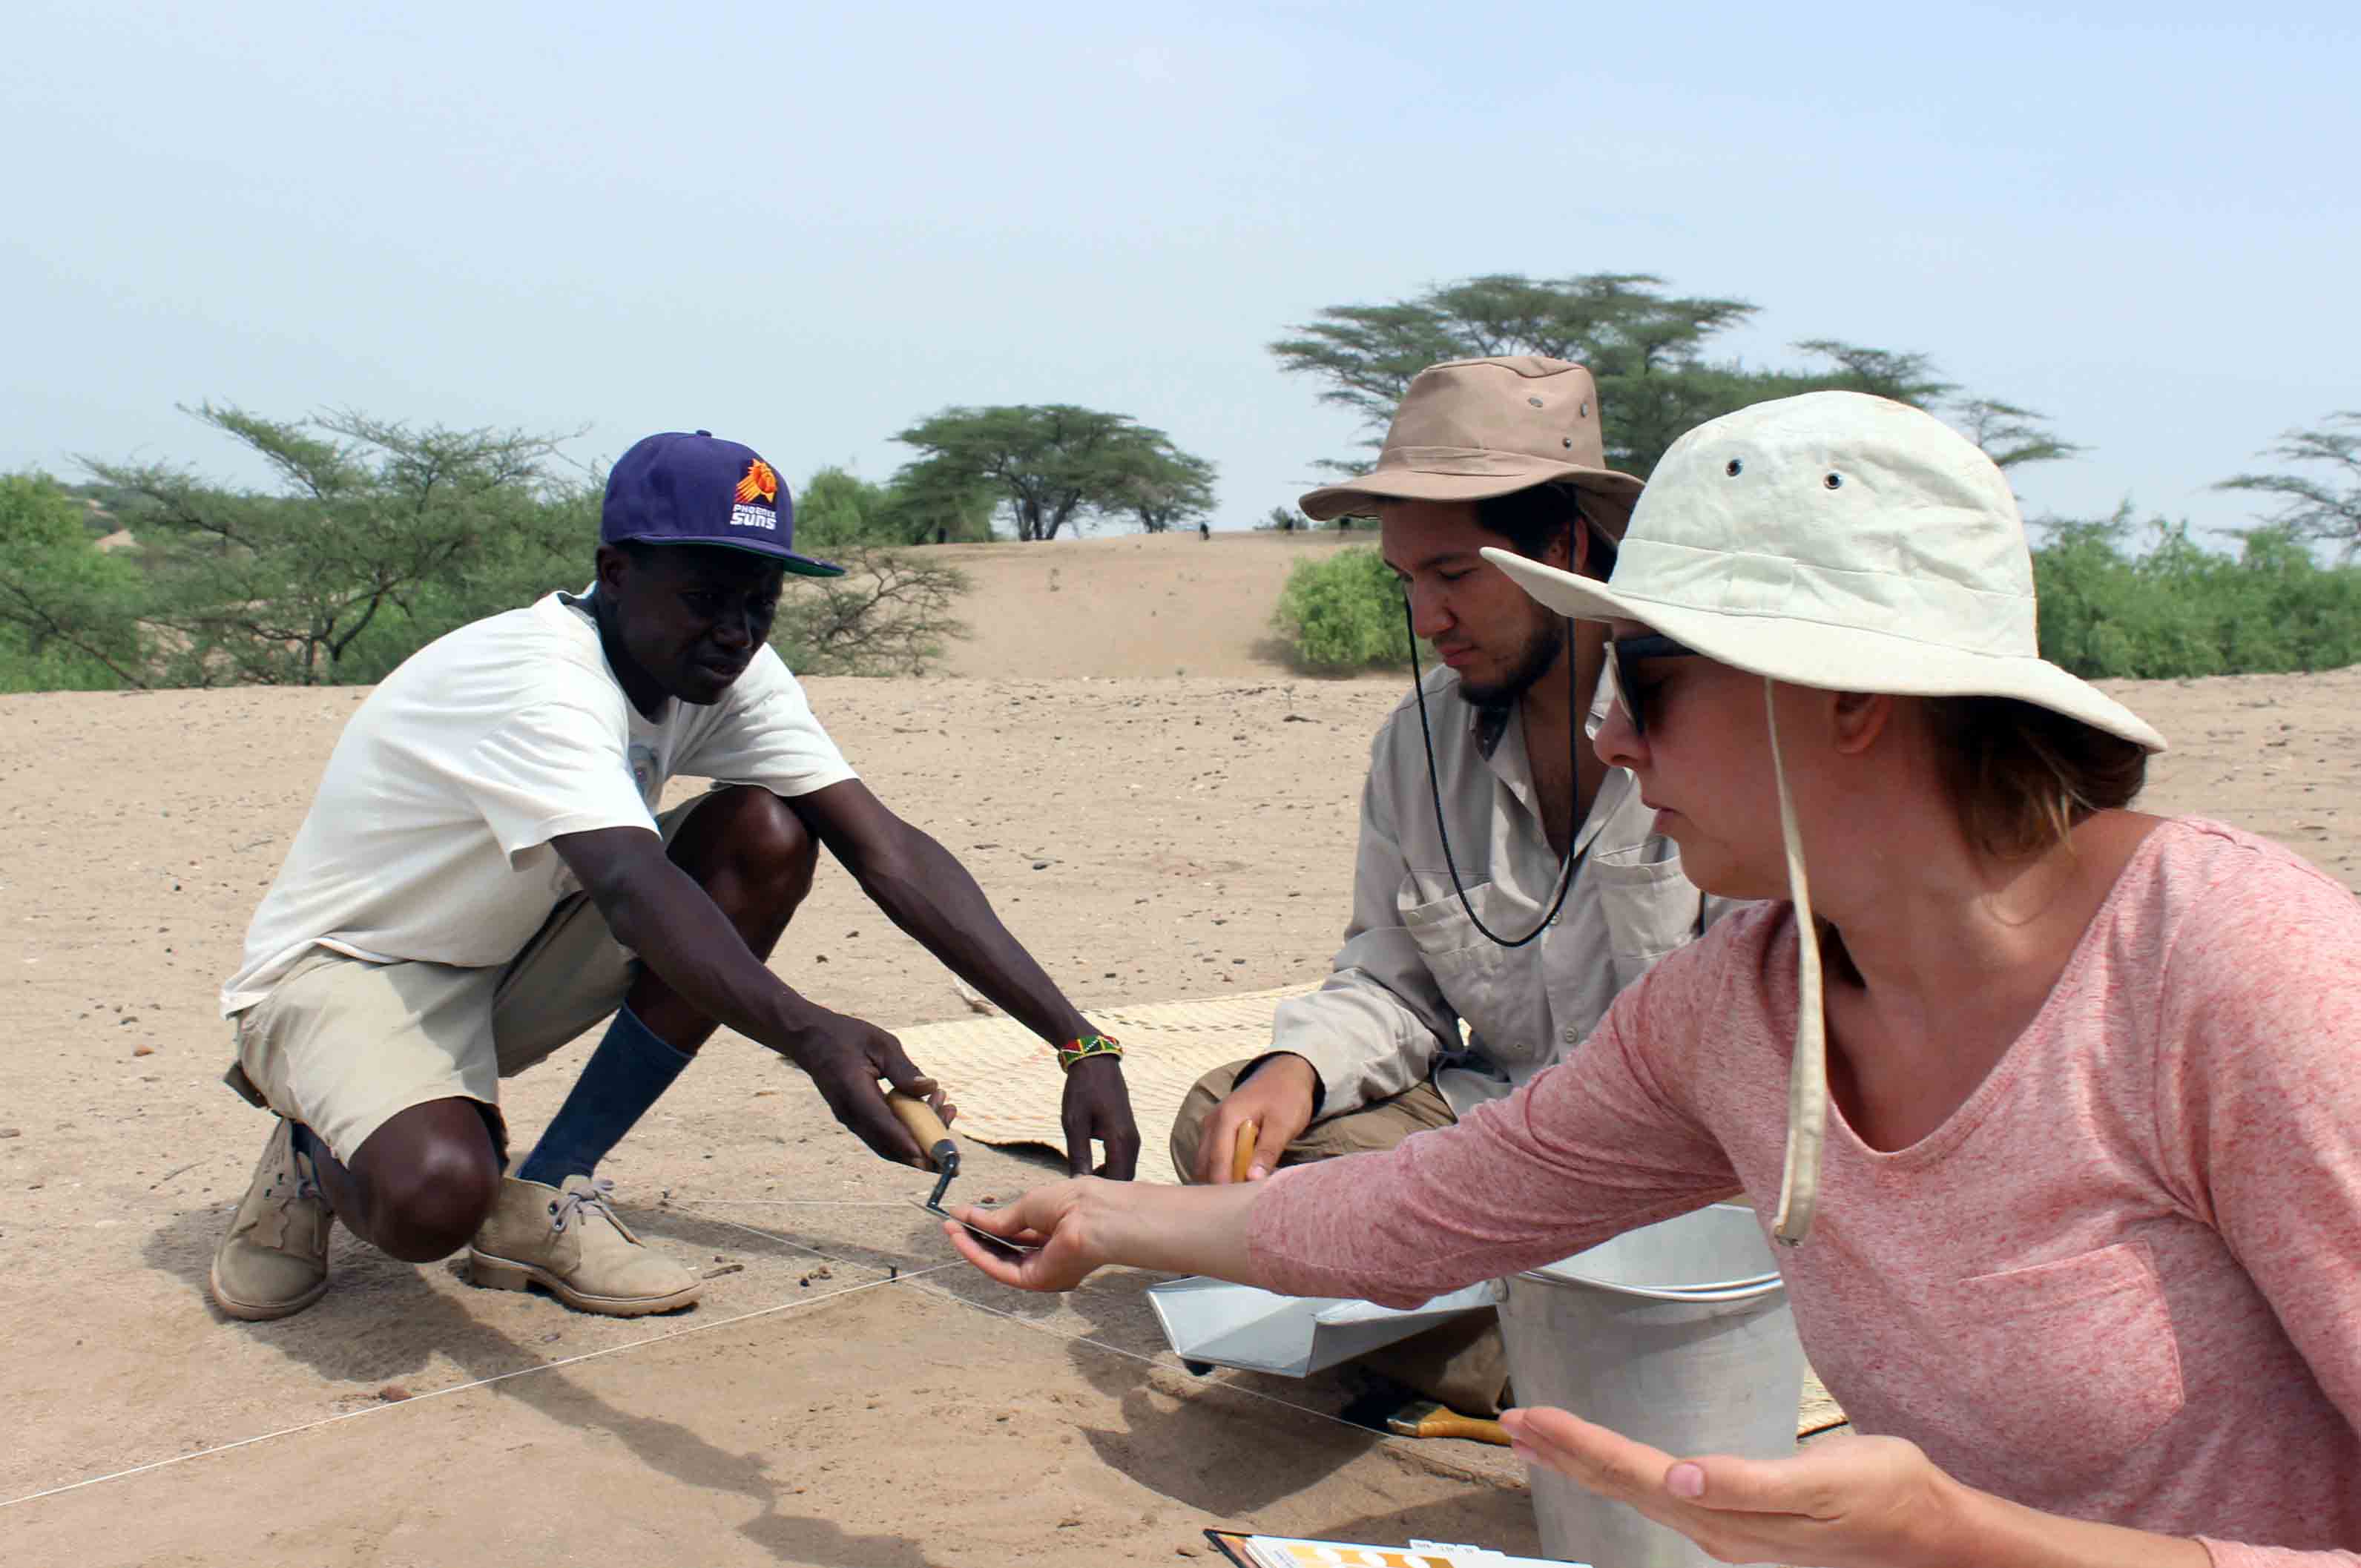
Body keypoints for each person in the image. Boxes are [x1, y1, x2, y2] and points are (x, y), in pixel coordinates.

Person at [949, 392, 2361, 1566]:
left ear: (1844, 695)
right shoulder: (1740, 1001)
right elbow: (1427, 1204)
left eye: (1648, 677)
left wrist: (1972, 1538)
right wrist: (1109, 1218)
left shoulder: (2230, 968)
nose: (1614, 734)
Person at [210, 429, 1140, 1323]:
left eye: (761, 602)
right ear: (616, 572)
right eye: (706, 598)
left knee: (766, 832)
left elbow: (886, 848)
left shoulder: (723, 667)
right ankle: (309, 1148)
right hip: (353, 972)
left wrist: (1080, 1042)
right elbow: (630, 886)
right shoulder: (540, 677)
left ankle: (546, 1192)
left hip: (502, 960)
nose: (736, 632)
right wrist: (812, 1035)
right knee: (435, 1196)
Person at [1167, 356, 1715, 1415]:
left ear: (1565, 549)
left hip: (1666, 1182)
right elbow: (1392, 981)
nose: (1426, 618)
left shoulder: (1711, 728)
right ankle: (1553, 1354)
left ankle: (1509, 1341)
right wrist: (1295, 1067)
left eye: (1456, 574)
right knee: (1223, 1123)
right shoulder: (1416, 744)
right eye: (1406, 581)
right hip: (1487, 1141)